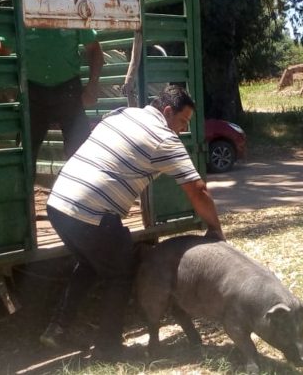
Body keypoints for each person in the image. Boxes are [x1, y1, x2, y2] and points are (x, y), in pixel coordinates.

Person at [40, 85, 225, 360]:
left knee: (91, 263)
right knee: (120, 272)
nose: (183, 130)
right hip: (90, 212)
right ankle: (108, 349)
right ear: (166, 111)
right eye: (183, 121)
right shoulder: (164, 138)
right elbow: (197, 190)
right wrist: (216, 229)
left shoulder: (121, 114)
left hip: (58, 203)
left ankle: (57, 329)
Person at [0, 27, 104, 163]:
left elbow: (94, 50)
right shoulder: (22, 15)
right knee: (26, 155)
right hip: (32, 92)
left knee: (80, 150)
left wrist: (93, 84)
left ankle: (84, 183)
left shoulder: (70, 14)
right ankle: (24, 183)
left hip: (68, 91)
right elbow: (2, 52)